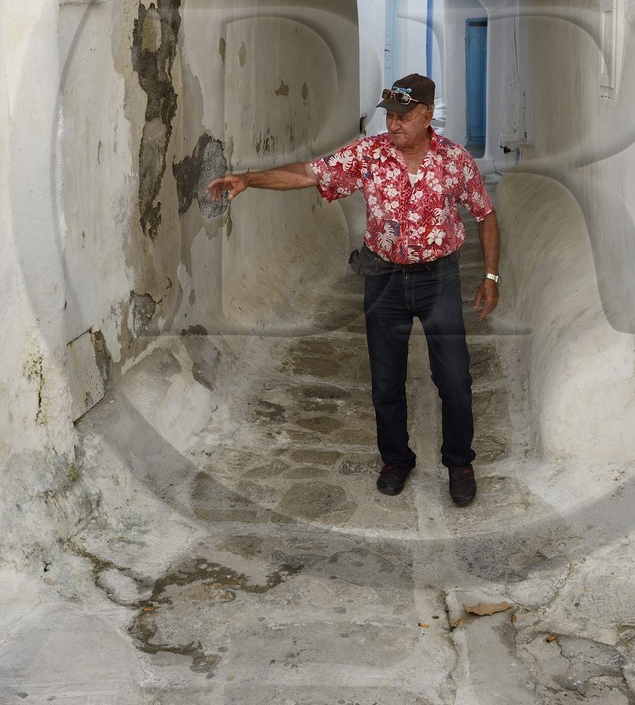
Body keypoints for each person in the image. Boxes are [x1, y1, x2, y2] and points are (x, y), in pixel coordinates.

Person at [206, 73, 500, 506]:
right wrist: (250, 179)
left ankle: (459, 463)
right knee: (385, 379)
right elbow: (308, 173)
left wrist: (490, 276)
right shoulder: (369, 155)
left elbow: (485, 214)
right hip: (383, 280)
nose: (393, 124)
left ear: (425, 115)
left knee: (454, 377)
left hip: (439, 280)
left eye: (403, 116)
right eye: (390, 116)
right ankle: (396, 460)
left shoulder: (455, 161)